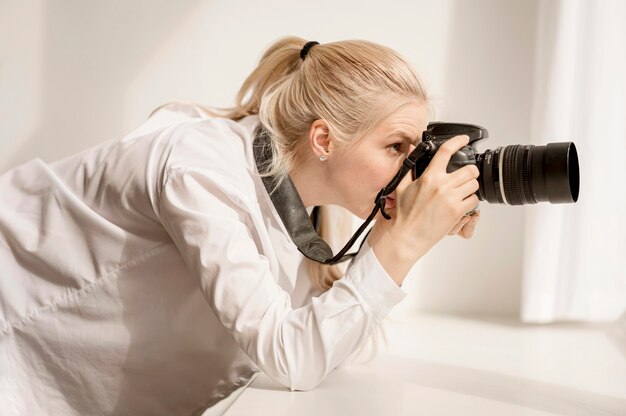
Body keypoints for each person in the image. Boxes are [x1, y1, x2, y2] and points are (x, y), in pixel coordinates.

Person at [0, 37, 480, 415]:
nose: (413, 167)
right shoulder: (202, 172)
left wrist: (408, 232)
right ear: (324, 140)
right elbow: (292, 357)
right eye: (397, 147)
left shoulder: (299, 193)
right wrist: (403, 244)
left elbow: (322, 337)